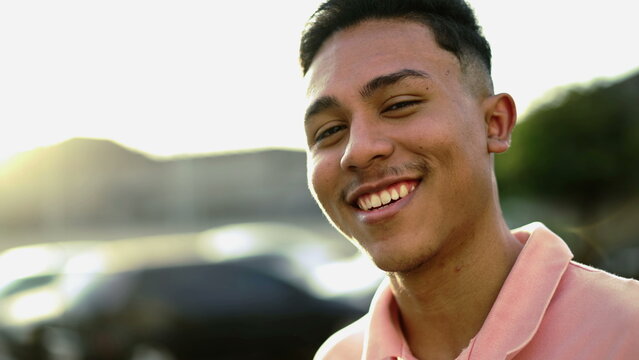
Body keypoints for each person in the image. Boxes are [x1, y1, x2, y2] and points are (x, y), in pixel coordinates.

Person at [298, 0, 639, 359]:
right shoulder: (339, 355)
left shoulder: (625, 331)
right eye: (330, 130)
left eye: (398, 104)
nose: (359, 150)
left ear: (494, 124)